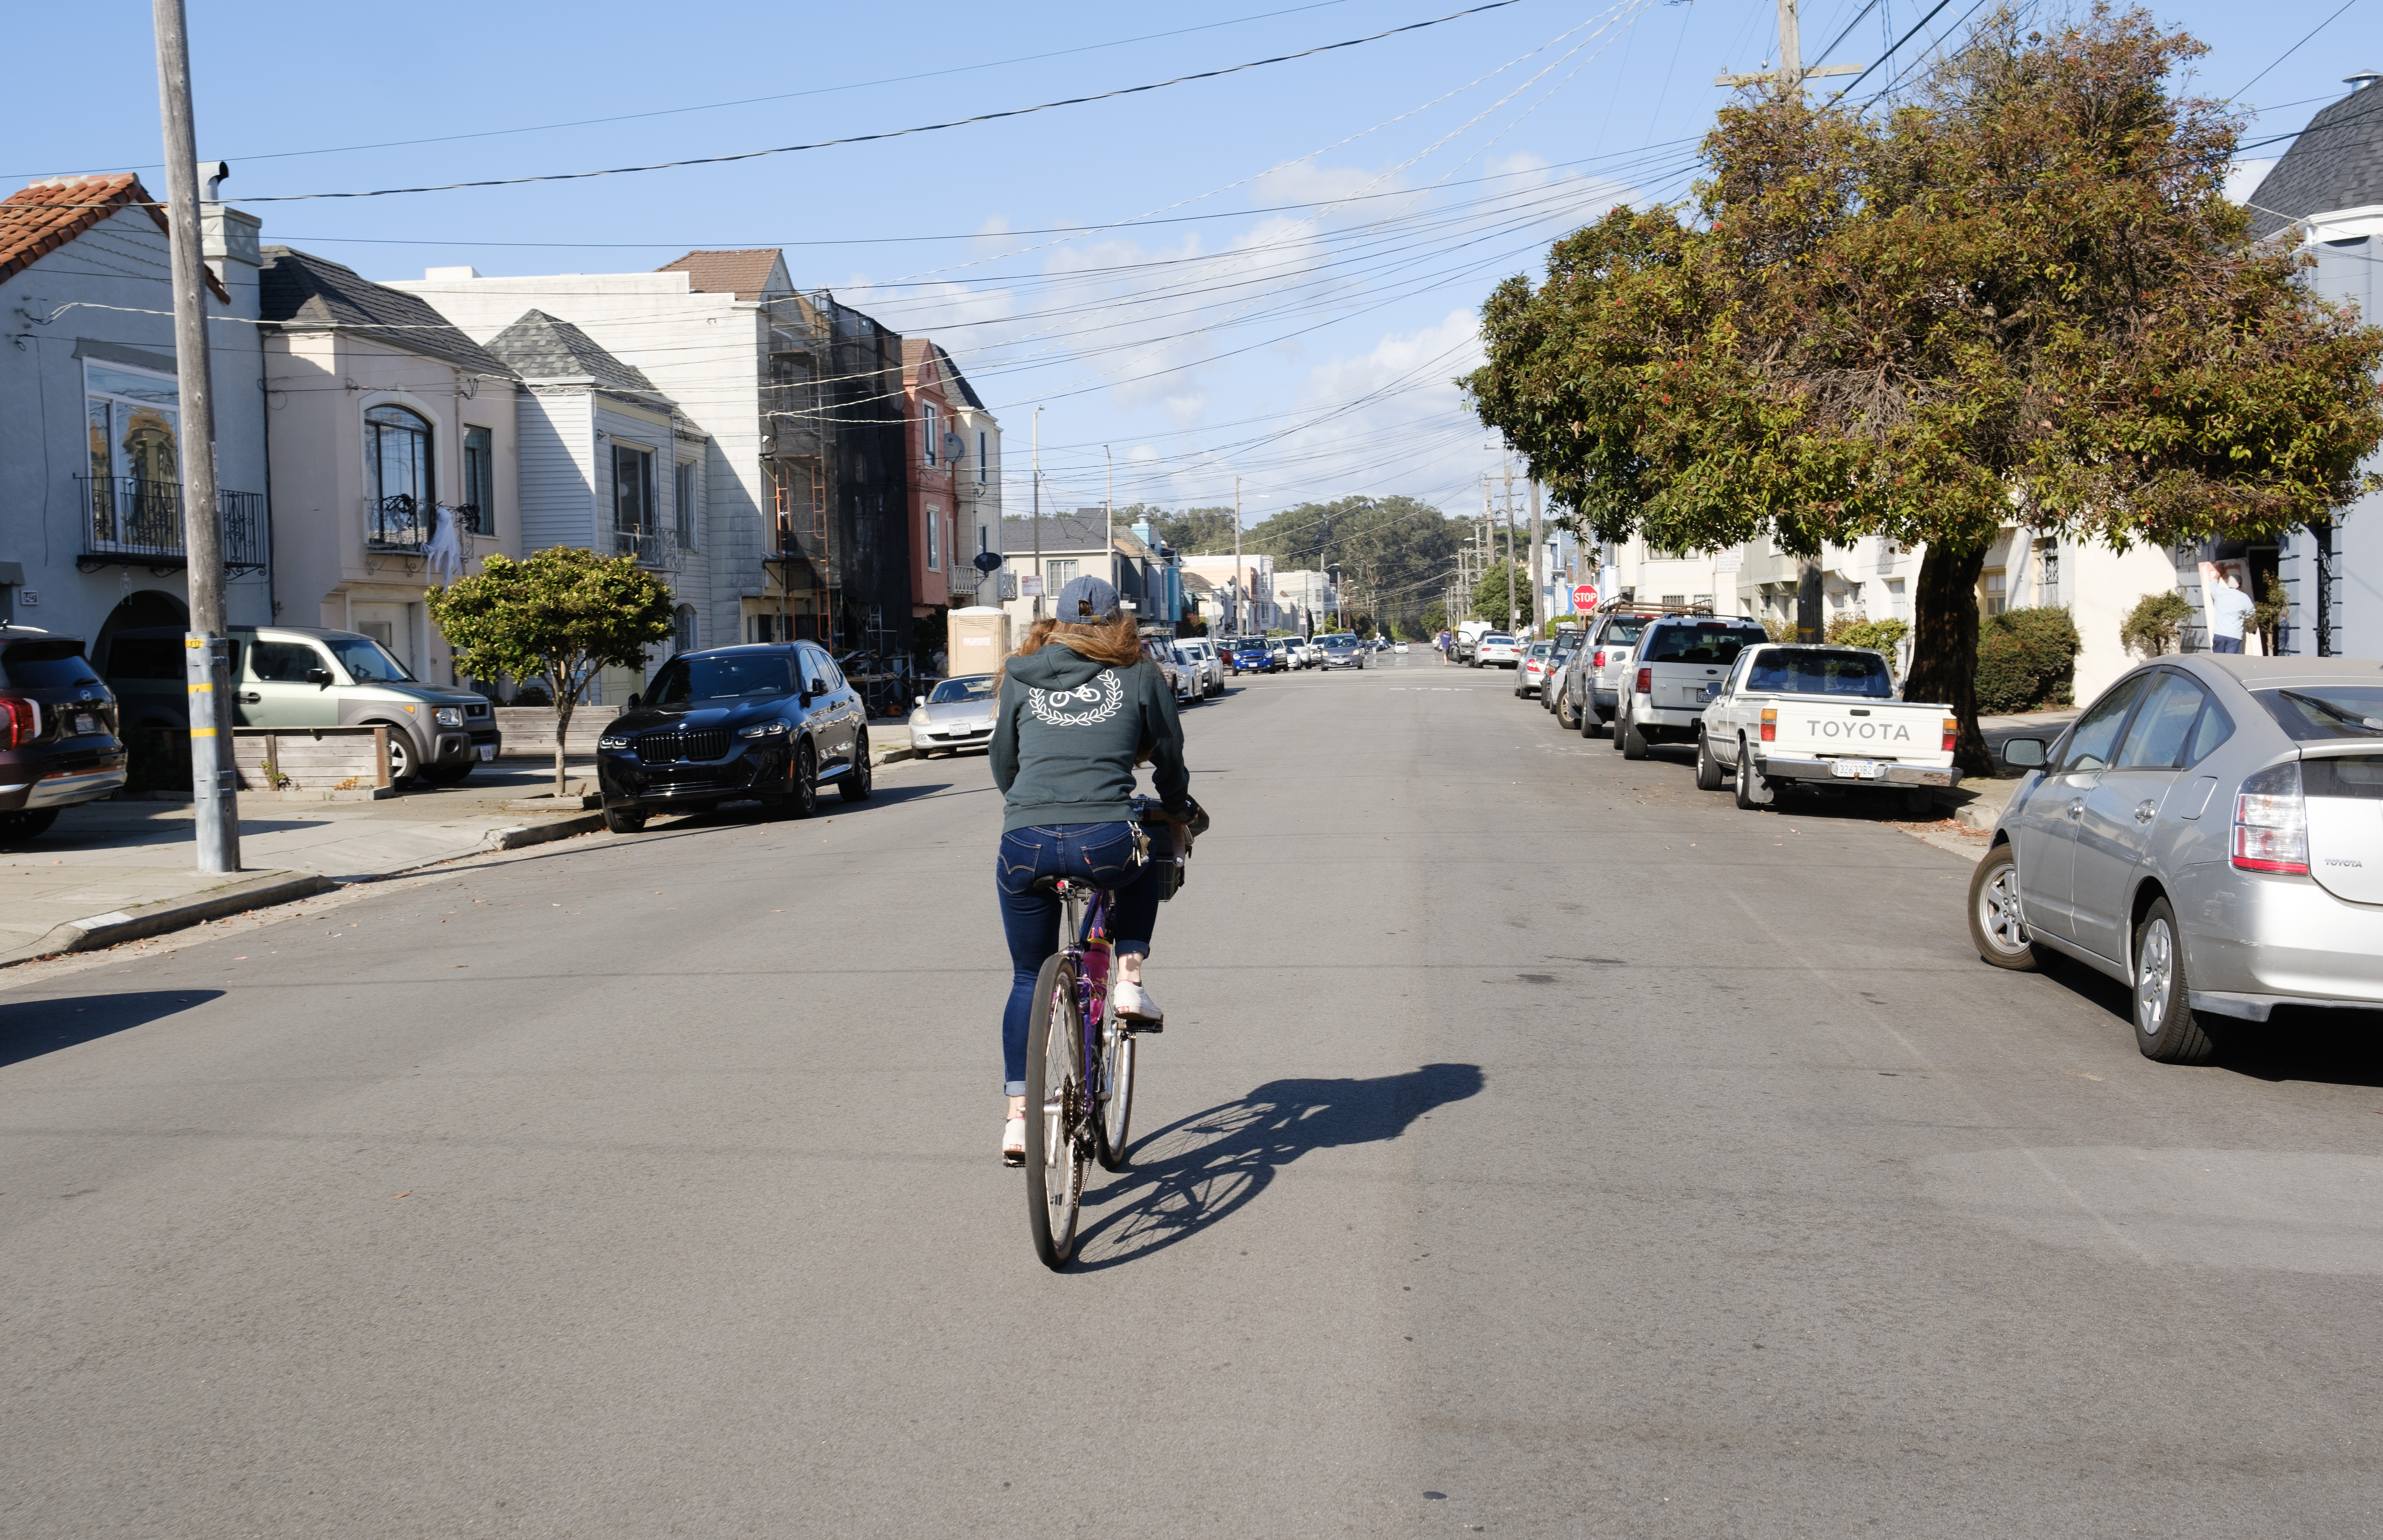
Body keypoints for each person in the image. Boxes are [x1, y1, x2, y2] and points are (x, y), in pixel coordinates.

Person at [988, 575, 1191, 1164]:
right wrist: (1175, 806)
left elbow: (1003, 761)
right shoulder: (1139, 673)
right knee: (1145, 849)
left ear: (1053, 620)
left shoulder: (1018, 674)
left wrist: (1029, 803)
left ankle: (1018, 1120)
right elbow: (1169, 752)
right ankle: (1127, 977)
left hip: (1022, 841)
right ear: (1115, 621)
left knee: (1028, 977)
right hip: (1103, 837)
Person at [2208, 570, 2256, 655]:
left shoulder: (2220, 593)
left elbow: (2213, 583)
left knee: (2217, 661)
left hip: (2219, 634)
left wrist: (2219, 572)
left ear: (2228, 583)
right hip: (2234, 636)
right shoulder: (2245, 598)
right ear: (2240, 585)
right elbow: (2252, 616)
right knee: (2231, 662)